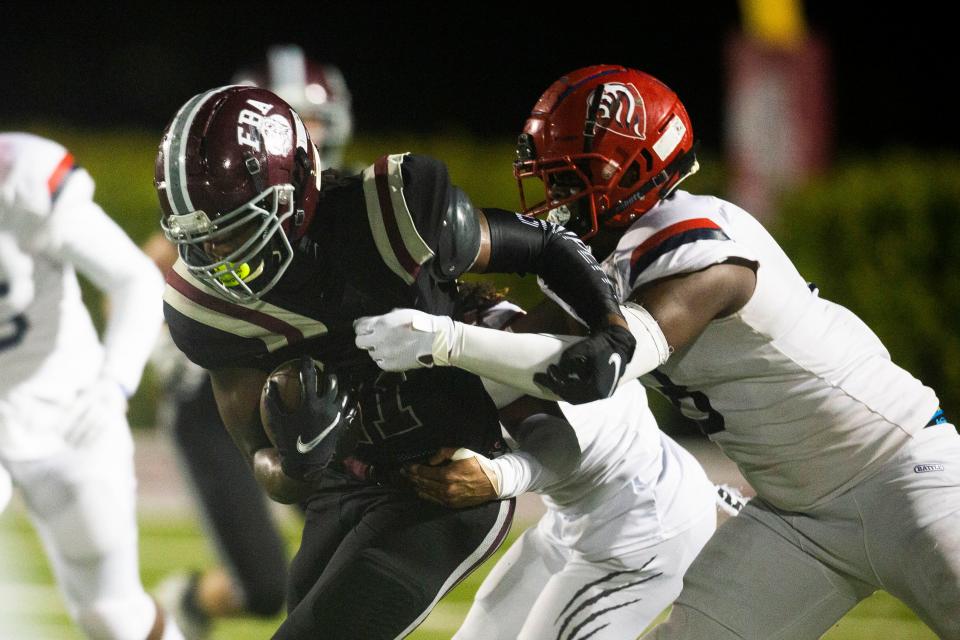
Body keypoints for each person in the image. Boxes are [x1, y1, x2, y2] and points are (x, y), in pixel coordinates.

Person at [350, 65, 960, 639]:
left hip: (903, 474)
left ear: (634, 168)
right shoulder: (610, 258)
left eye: (569, 175)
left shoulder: (704, 248)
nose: (555, 194)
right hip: (796, 518)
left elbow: (592, 367)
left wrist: (445, 342)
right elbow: (518, 351)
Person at [155, 84, 636, 638]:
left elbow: (542, 245)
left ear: (295, 191)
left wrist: (612, 327)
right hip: (343, 484)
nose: (219, 256)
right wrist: (299, 460)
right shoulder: (205, 309)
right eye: (202, 238)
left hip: (444, 479)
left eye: (235, 227)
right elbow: (261, 461)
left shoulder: (388, 214)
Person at [359, 285, 720, 640]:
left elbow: (558, 444)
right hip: (579, 515)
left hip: (646, 529)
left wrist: (499, 476)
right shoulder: (472, 337)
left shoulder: (489, 352)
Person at [152, 44, 354, 638]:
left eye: (314, 120)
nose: (307, 135)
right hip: (215, 404)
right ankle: (186, 603)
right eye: (295, 119)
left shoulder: (343, 201)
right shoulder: (218, 205)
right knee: (267, 588)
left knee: (355, 540)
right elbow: (150, 266)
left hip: (299, 397)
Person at [0, 133, 183, 639]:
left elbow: (135, 280)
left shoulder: (21, 179)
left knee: (112, 614)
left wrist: (113, 384)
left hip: (66, 414)